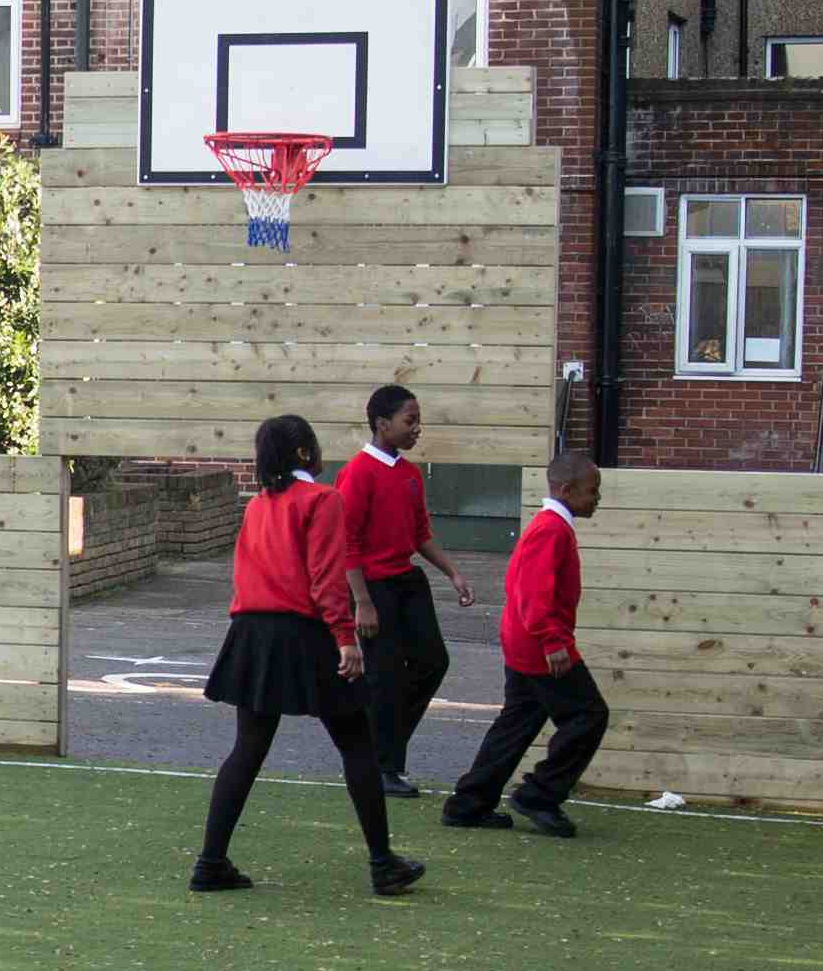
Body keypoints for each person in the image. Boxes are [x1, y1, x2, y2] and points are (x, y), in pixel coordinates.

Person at [192, 414, 423, 897]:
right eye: (313, 445)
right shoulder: (322, 499)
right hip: (305, 632)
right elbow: (325, 577)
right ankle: (383, 864)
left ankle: (210, 862)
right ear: (304, 454)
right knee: (357, 744)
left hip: (252, 632)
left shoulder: (258, 505)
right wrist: (345, 638)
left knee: (247, 750)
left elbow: (246, 570)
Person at [439, 456, 611, 835]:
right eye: (592, 491)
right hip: (538, 645)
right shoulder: (551, 530)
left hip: (523, 641)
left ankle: (468, 803)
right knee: (588, 715)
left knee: (516, 724)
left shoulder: (551, 526)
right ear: (566, 491)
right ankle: (539, 795)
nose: (597, 498)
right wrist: (553, 641)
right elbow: (532, 593)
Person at [334, 382, 463, 789]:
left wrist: (453, 573)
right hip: (374, 588)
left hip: (408, 582)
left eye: (418, 421)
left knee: (432, 663)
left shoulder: (408, 475)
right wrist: (362, 602)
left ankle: (378, 749)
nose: (417, 429)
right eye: (410, 421)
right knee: (385, 677)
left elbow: (420, 533)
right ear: (382, 423)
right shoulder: (356, 473)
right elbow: (346, 543)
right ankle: (382, 766)